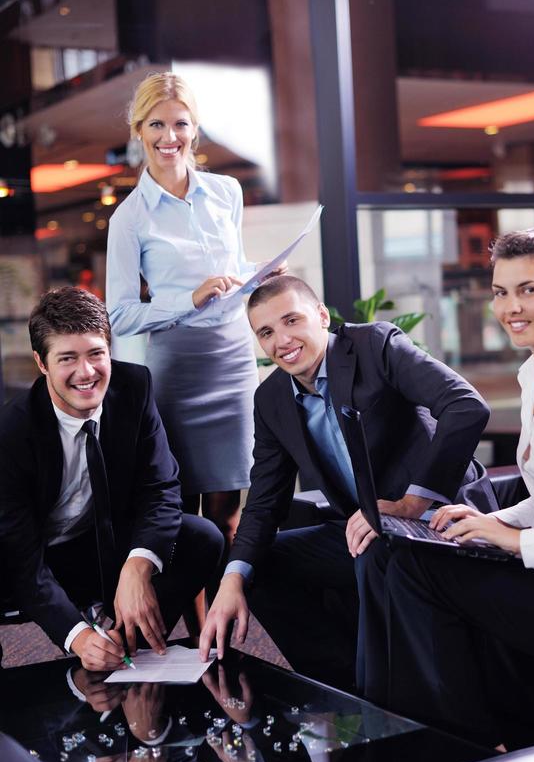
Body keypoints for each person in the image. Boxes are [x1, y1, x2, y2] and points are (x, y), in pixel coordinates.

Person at [361, 227, 534, 747]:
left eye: (529, 289)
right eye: (500, 292)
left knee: (419, 569)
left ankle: (456, 746)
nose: (511, 306)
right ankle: (415, 730)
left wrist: (515, 541)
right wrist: (498, 522)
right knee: (398, 553)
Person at [198, 274, 497, 691]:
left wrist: (411, 502)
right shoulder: (271, 400)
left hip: (441, 520)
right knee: (258, 567)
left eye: (291, 321)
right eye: (266, 332)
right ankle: (345, 691)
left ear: (322, 317)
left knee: (375, 561)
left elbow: (466, 406)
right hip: (364, 533)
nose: (281, 340)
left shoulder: (374, 346)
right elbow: (264, 500)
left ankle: (392, 695)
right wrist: (232, 578)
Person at [0, 287, 223, 671]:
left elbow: (161, 489)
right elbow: (21, 557)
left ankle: (125, 646)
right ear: (42, 363)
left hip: (99, 547)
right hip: (25, 559)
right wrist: (78, 636)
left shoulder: (133, 387)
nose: (86, 373)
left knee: (202, 537)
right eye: (67, 358)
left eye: (96, 354)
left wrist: (138, 566)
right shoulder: (12, 430)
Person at [105, 72, 264, 557]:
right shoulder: (129, 217)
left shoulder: (227, 192)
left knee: (229, 514)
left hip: (233, 359)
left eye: (180, 124)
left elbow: (234, 271)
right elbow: (121, 315)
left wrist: (260, 277)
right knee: (181, 513)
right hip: (178, 366)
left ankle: (220, 631)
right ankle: (197, 633)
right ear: (138, 130)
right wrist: (188, 300)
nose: (168, 137)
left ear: (195, 129)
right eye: (156, 125)